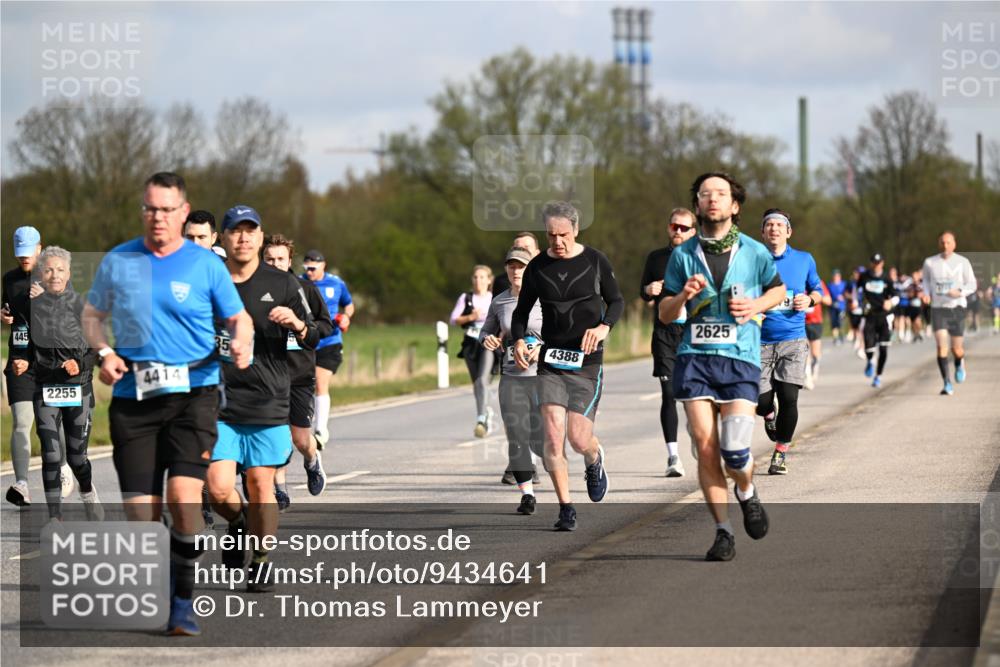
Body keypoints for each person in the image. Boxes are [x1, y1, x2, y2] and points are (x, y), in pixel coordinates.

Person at [83, 172, 253, 636]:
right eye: (150, 209)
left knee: (183, 499)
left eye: (167, 209)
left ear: (183, 211)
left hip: (193, 395)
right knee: (140, 515)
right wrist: (105, 353)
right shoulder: (120, 261)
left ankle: (182, 600)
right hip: (133, 399)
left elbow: (239, 319)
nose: (158, 217)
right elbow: (92, 317)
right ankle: (164, 582)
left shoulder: (204, 265)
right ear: (143, 211)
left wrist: (243, 344)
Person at [659, 172, 785, 561]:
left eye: (720, 194)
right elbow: (665, 314)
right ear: (697, 205)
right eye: (704, 194)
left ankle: (746, 492)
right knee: (705, 447)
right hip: (694, 359)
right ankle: (723, 532)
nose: (712, 199)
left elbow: (777, 290)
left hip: (741, 359)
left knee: (734, 450)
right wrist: (682, 295)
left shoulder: (754, 252)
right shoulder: (682, 255)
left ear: (734, 206)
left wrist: (755, 306)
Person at [206, 206, 319, 594]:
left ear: (260, 235)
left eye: (250, 230)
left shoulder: (285, 284)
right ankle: (238, 524)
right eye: (235, 231)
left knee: (259, 485)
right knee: (217, 488)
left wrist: (298, 323)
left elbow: (316, 332)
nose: (243, 237)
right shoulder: (208, 280)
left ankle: (260, 560)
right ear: (223, 238)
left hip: (269, 399)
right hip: (218, 401)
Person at [511, 201, 623, 532]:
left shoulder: (595, 261)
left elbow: (616, 301)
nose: (557, 242)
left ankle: (593, 457)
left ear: (575, 230)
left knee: (577, 438)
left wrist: (603, 328)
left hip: (587, 363)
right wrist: (519, 341)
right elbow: (521, 312)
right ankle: (566, 508)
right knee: (552, 435)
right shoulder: (538, 267)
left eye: (563, 235)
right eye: (551, 236)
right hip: (551, 363)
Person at [13, 246, 103, 521]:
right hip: (45, 388)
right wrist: (21, 359)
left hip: (79, 388)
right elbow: (21, 340)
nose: (54, 275)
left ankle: (87, 492)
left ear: (68, 273)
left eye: (60, 270)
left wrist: (80, 364)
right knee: (51, 454)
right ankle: (55, 518)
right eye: (49, 269)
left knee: (76, 458)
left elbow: (97, 349)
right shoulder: (29, 306)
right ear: (41, 272)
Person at [262, 234, 334, 510]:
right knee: (276, 436)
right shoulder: (253, 290)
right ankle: (279, 489)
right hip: (267, 375)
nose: (275, 263)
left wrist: (299, 326)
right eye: (269, 259)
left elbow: (325, 326)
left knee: (300, 439)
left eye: (280, 259)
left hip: (300, 375)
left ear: (290, 260)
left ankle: (312, 462)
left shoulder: (305, 289)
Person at [3, 227, 75, 506]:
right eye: (19, 254)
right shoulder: (9, 279)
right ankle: (21, 484)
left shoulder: (54, 277)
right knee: (21, 422)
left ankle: (65, 466)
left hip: (50, 362)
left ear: (39, 249)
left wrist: (43, 299)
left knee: (51, 425)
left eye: (28, 253)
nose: (24, 259)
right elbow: (9, 308)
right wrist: (4, 315)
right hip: (20, 361)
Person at [754, 208, 822, 475]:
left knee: (789, 397)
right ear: (762, 232)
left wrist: (810, 300)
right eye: (768, 225)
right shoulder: (753, 260)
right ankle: (769, 415)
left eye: (779, 225)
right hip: (760, 340)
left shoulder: (804, 259)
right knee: (760, 402)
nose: (774, 229)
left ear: (788, 231)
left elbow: (816, 288)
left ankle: (780, 453)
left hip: (793, 338)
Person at [480, 247, 544, 515]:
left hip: (543, 376)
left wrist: (542, 347)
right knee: (517, 437)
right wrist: (489, 339)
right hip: (512, 377)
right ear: (506, 270)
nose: (516, 271)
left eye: (521, 266)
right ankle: (527, 494)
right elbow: (486, 331)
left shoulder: (545, 299)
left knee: (541, 440)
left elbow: (561, 332)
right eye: (512, 266)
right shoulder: (500, 302)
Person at [639, 207, 697, 477]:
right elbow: (644, 292)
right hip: (664, 333)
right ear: (668, 228)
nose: (678, 231)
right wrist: (649, 290)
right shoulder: (656, 257)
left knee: (693, 395)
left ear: (693, 232)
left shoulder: (699, 258)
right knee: (669, 394)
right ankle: (673, 456)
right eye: (675, 226)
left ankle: (697, 430)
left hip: (693, 333)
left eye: (684, 228)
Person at [495, 233, 542, 485]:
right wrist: (494, 339)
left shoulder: (549, 280)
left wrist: (543, 348)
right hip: (512, 364)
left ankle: (536, 457)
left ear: (536, 253)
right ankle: (524, 464)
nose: (520, 253)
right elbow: (497, 320)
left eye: (526, 249)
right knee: (514, 417)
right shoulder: (504, 284)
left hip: (544, 368)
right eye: (516, 249)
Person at [302, 249, 353, 447]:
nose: (310, 272)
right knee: (305, 383)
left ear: (323, 265)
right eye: (307, 268)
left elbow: (348, 305)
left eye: (314, 268)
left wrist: (346, 316)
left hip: (330, 341)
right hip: (307, 341)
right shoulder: (299, 282)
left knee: (320, 382)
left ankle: (321, 430)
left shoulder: (336, 283)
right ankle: (302, 426)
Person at [920, 231, 977, 395]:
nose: (945, 246)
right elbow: (925, 281)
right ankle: (947, 383)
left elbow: (972, 284)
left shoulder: (962, 262)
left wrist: (959, 291)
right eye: (942, 243)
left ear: (954, 244)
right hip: (938, 309)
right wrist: (926, 293)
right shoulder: (930, 262)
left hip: (957, 307)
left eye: (948, 242)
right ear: (939, 244)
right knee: (941, 347)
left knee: (956, 349)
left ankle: (959, 362)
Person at [450, 265, 496, 438]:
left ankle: (481, 419)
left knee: (483, 380)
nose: (479, 281)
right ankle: (486, 413)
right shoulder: (466, 298)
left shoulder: (493, 298)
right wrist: (471, 317)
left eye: (482, 277)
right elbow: (454, 319)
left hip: (488, 344)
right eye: (476, 277)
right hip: (470, 343)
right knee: (477, 384)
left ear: (489, 280)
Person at [857, 253, 897, 389]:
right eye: (874, 262)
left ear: (882, 263)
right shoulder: (864, 277)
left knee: (884, 348)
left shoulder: (887, 278)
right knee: (869, 347)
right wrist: (856, 302)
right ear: (871, 263)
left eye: (878, 262)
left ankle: (878, 376)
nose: (876, 265)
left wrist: (890, 302)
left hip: (884, 316)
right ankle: (869, 361)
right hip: (869, 315)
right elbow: (857, 291)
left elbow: (896, 296)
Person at [803, 279, 831, 390]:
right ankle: (807, 377)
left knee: (815, 353)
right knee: (805, 351)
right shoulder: (796, 280)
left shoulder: (817, 282)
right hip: (801, 321)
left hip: (815, 321)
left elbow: (829, 301)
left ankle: (815, 366)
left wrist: (816, 297)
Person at [827, 269, 847, 345]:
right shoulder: (830, 285)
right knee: (834, 323)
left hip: (841, 307)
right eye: (835, 276)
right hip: (833, 307)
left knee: (840, 322)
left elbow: (848, 293)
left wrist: (844, 296)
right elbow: (828, 295)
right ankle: (835, 338)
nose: (836, 277)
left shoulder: (844, 284)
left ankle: (841, 335)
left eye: (837, 275)